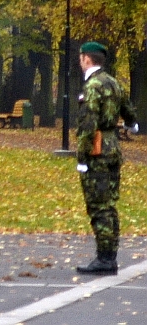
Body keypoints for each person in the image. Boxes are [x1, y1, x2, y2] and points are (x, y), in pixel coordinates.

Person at [75, 41, 139, 275]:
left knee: (98, 206)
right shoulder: (114, 83)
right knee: (109, 205)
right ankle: (108, 255)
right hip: (113, 150)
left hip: (97, 151)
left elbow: (88, 125)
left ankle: (105, 259)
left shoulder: (92, 86)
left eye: (81, 58)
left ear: (87, 59)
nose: (80, 62)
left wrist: (81, 158)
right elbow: (130, 115)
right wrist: (131, 125)